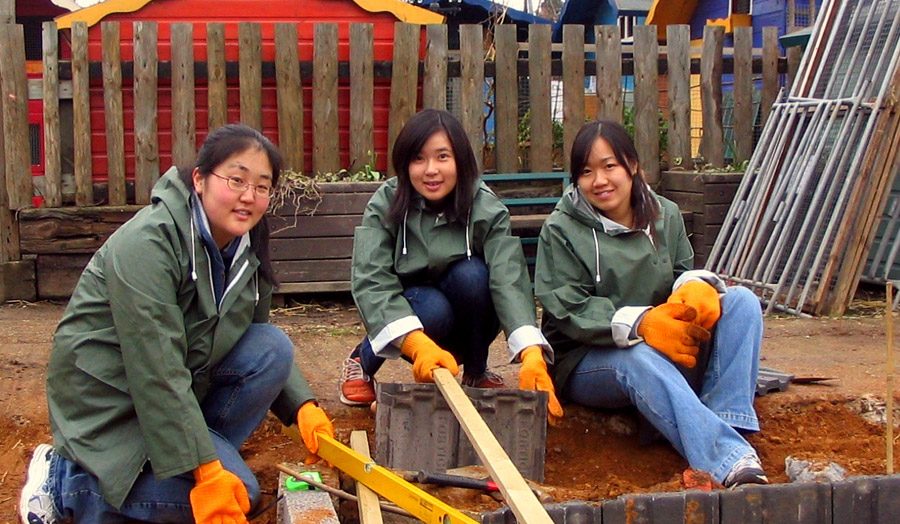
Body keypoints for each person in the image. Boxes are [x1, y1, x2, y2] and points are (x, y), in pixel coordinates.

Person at [19, 124, 334, 524]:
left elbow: (251, 335)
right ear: (200, 179)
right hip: (113, 406)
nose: (248, 197)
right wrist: (207, 473)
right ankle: (67, 484)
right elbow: (156, 368)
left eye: (262, 186)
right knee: (242, 495)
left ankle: (181, 462)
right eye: (236, 180)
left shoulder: (244, 246)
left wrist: (301, 406)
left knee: (270, 348)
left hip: (169, 392)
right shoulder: (148, 244)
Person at [534, 120, 767, 488]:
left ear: (632, 165)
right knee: (636, 358)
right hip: (590, 357)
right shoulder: (562, 229)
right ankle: (727, 458)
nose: (600, 180)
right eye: (586, 172)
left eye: (610, 166)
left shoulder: (665, 214)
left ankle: (726, 423)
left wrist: (697, 286)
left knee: (741, 302)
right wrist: (641, 324)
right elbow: (568, 307)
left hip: (664, 348)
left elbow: (680, 274)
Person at [339, 109, 562, 423]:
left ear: (461, 160)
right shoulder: (386, 202)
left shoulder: (485, 206)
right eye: (419, 159)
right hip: (413, 312)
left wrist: (531, 353)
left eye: (442, 157)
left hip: (463, 307)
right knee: (432, 307)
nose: (431, 170)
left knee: (473, 277)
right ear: (405, 164)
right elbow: (371, 278)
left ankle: (475, 370)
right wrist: (416, 344)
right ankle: (362, 362)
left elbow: (508, 277)